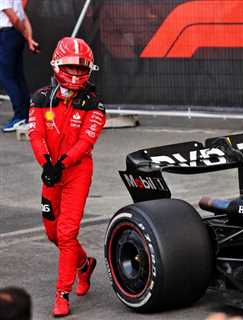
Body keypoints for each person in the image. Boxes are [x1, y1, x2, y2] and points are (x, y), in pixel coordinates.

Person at [28, 37, 105, 317]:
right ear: (58, 66)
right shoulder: (40, 98)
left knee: (66, 233)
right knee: (52, 234)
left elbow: (87, 141)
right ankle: (85, 266)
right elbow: (35, 134)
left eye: (80, 67)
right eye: (70, 67)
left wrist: (62, 163)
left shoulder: (95, 103)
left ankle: (62, 296)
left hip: (77, 174)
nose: (74, 73)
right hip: (51, 173)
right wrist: (47, 164)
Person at [0, 0, 39, 132]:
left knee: (7, 76)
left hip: (7, 34)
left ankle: (20, 116)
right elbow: (23, 18)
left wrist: (26, 36)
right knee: (17, 75)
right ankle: (26, 114)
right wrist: (28, 38)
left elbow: (14, 18)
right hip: (14, 34)